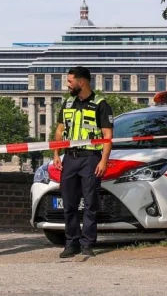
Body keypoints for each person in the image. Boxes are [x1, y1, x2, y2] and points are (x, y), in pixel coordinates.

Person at [52, 66, 113, 258]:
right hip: (70, 158)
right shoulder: (68, 103)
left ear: (82, 82)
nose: (67, 85)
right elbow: (60, 130)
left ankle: (87, 243)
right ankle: (72, 243)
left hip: (91, 158)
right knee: (68, 203)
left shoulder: (101, 104)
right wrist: (56, 154)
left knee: (90, 203)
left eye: (70, 81)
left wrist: (103, 161)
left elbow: (107, 135)